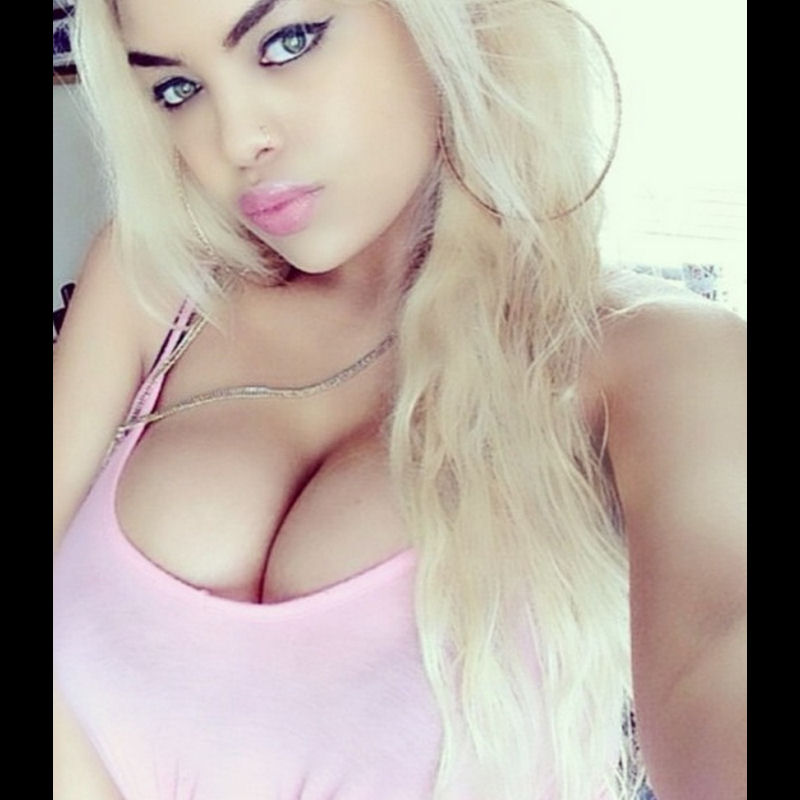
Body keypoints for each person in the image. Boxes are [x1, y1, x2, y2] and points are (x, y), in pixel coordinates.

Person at [52, 0, 746, 798]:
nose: (236, 141)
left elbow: (720, 645)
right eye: (177, 90)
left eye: (288, 42)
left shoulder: (656, 359)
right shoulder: (154, 287)